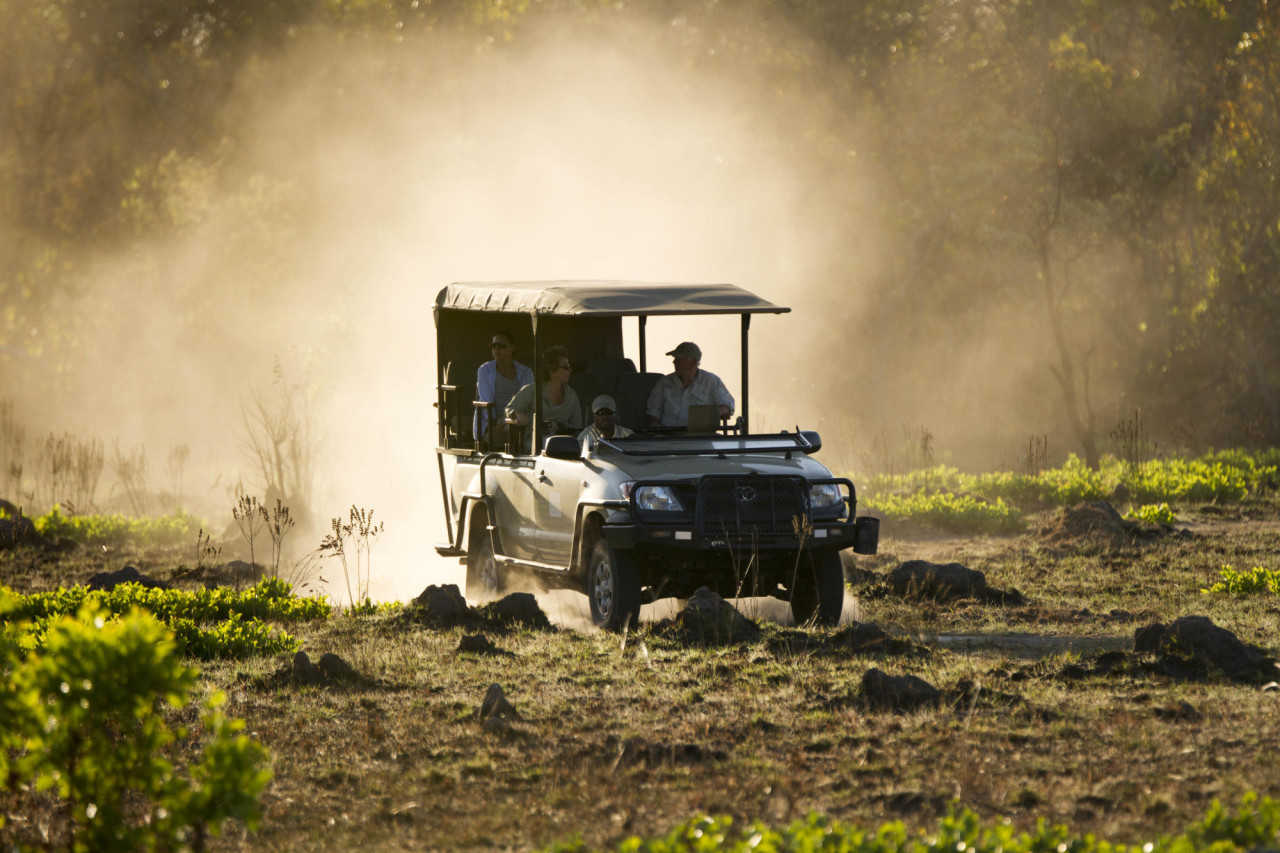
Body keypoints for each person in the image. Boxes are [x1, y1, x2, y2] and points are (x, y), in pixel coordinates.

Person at [506, 345, 583, 452]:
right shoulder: (533, 390)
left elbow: (577, 427)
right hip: (535, 445)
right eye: (566, 367)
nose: (570, 370)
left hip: (564, 445)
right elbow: (510, 409)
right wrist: (518, 414)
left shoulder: (572, 395)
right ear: (552, 369)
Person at [645, 341, 734, 428]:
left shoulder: (711, 381)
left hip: (701, 439)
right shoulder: (664, 382)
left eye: (678, 359)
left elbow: (728, 405)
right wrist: (654, 424)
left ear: (693, 362)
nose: (674, 362)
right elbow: (653, 411)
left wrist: (710, 414)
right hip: (669, 438)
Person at [474, 330, 533, 450]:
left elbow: (529, 400)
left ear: (512, 348)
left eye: (501, 346)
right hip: (494, 422)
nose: (496, 349)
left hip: (519, 420)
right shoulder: (484, 370)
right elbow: (486, 401)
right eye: (493, 346)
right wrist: (494, 426)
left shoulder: (526, 372)